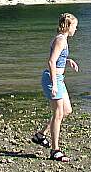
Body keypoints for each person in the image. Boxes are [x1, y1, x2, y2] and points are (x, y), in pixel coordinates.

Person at [31, 13, 79, 162]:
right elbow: (51, 62)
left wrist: (68, 60)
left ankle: (40, 135)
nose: (76, 30)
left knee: (67, 111)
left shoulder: (62, 39)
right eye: (75, 27)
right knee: (58, 114)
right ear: (68, 26)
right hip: (53, 79)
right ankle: (55, 151)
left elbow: (58, 59)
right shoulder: (60, 40)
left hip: (58, 78)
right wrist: (54, 83)